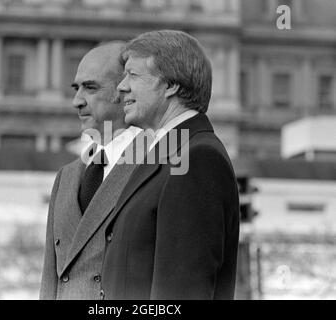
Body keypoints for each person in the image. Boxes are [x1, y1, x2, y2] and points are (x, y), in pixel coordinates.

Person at [100, 30, 240, 300]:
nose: (121, 87)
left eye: (133, 75)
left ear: (171, 85)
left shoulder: (198, 159)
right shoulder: (170, 152)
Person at [40, 42, 141, 299]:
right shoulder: (67, 177)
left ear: (126, 90)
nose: (77, 101)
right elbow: (51, 278)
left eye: (90, 88)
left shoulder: (156, 167)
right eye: (76, 88)